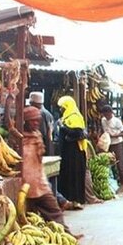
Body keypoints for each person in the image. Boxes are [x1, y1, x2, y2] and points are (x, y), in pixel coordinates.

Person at [16, 106, 77, 235]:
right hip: (25, 185)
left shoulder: (37, 135)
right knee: (28, 218)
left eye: (37, 120)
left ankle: (67, 235)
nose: (36, 123)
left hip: (39, 182)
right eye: (33, 121)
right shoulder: (19, 139)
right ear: (25, 121)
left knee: (54, 211)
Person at [57, 96, 88, 204]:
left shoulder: (74, 117)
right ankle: (69, 199)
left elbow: (77, 132)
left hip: (75, 152)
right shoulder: (67, 117)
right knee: (68, 175)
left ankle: (76, 199)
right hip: (68, 152)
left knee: (74, 176)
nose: (60, 110)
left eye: (62, 107)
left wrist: (62, 127)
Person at [100, 105, 123, 192]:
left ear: (110, 113)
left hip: (117, 143)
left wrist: (115, 135)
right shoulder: (103, 120)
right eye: (104, 115)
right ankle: (113, 183)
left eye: (107, 115)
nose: (106, 116)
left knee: (120, 164)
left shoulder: (117, 121)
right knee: (109, 163)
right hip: (107, 143)